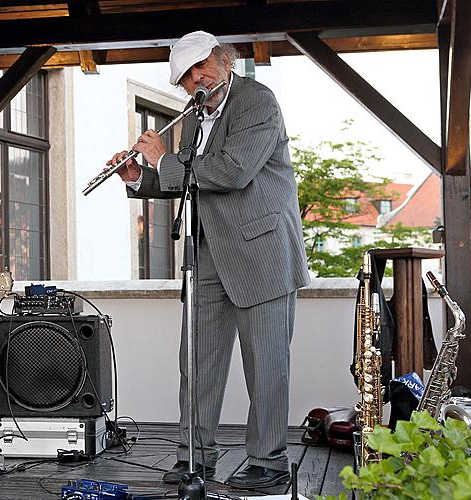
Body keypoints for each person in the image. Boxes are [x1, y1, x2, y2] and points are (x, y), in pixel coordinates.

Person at [108, 31, 310, 490]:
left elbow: (234, 170)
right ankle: (194, 457)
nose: (196, 79)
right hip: (206, 257)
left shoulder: (258, 101)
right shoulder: (197, 118)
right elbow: (186, 176)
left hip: (260, 255)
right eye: (186, 76)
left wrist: (163, 161)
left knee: (266, 365)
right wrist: (141, 176)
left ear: (225, 62)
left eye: (202, 67)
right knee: (196, 365)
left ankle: (269, 461)